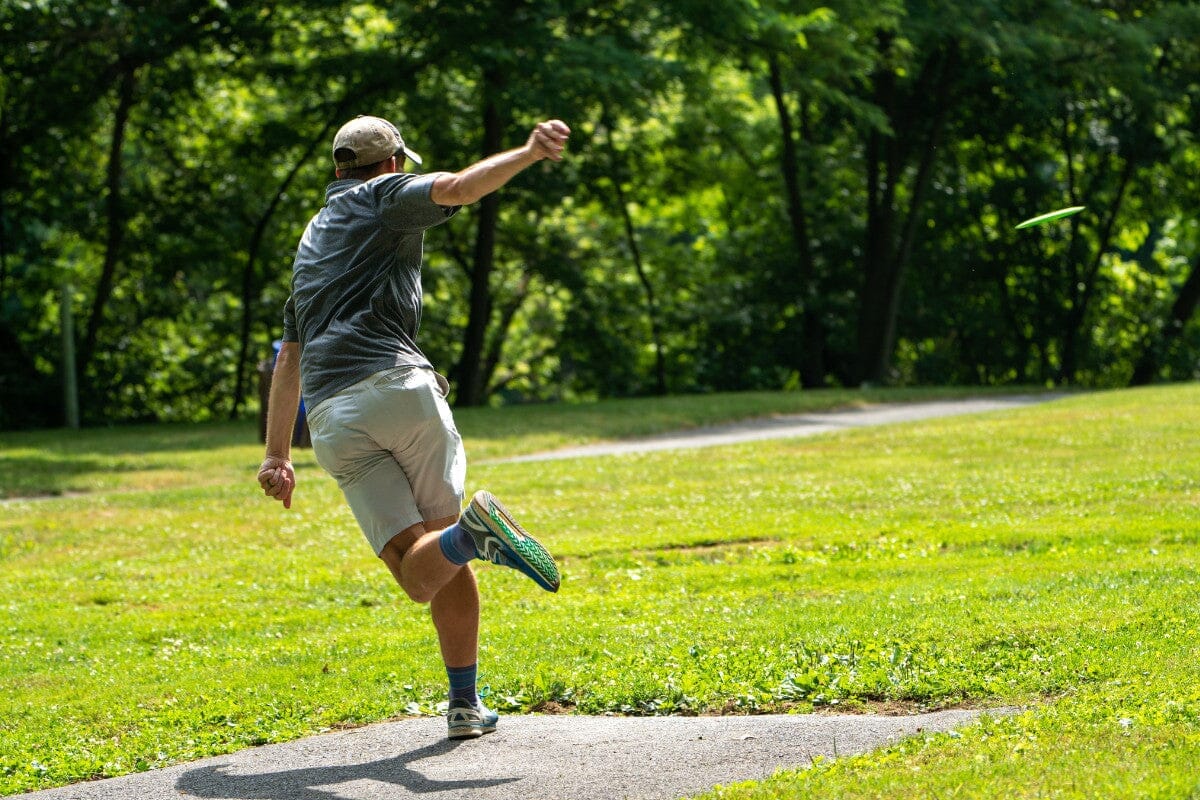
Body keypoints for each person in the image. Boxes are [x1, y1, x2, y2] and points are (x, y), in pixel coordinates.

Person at [256, 113, 569, 740]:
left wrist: (276, 456)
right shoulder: (384, 196)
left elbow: (288, 357)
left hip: (333, 417)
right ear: (394, 163)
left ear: (337, 169)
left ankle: (463, 706)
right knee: (442, 549)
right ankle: (471, 537)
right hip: (401, 391)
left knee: (418, 572)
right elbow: (455, 189)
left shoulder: (311, 241)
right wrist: (529, 154)